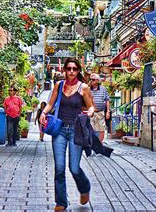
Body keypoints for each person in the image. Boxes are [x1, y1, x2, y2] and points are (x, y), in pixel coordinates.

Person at [39, 58, 95, 211]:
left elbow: (91, 107)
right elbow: (51, 103)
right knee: (59, 167)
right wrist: (44, 113)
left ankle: (84, 188)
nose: (71, 72)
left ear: (78, 71)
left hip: (76, 130)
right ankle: (61, 202)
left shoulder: (83, 87)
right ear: (64, 70)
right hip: (60, 130)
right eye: (69, 68)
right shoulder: (59, 85)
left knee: (74, 168)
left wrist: (89, 114)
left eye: (74, 69)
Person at [88, 73, 110, 142]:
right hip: (91, 113)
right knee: (91, 129)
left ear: (97, 81)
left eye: (93, 80)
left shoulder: (103, 89)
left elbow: (107, 100)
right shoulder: (87, 89)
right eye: (90, 79)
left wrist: (108, 111)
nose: (91, 81)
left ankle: (100, 144)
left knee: (101, 129)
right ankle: (93, 144)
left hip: (100, 112)